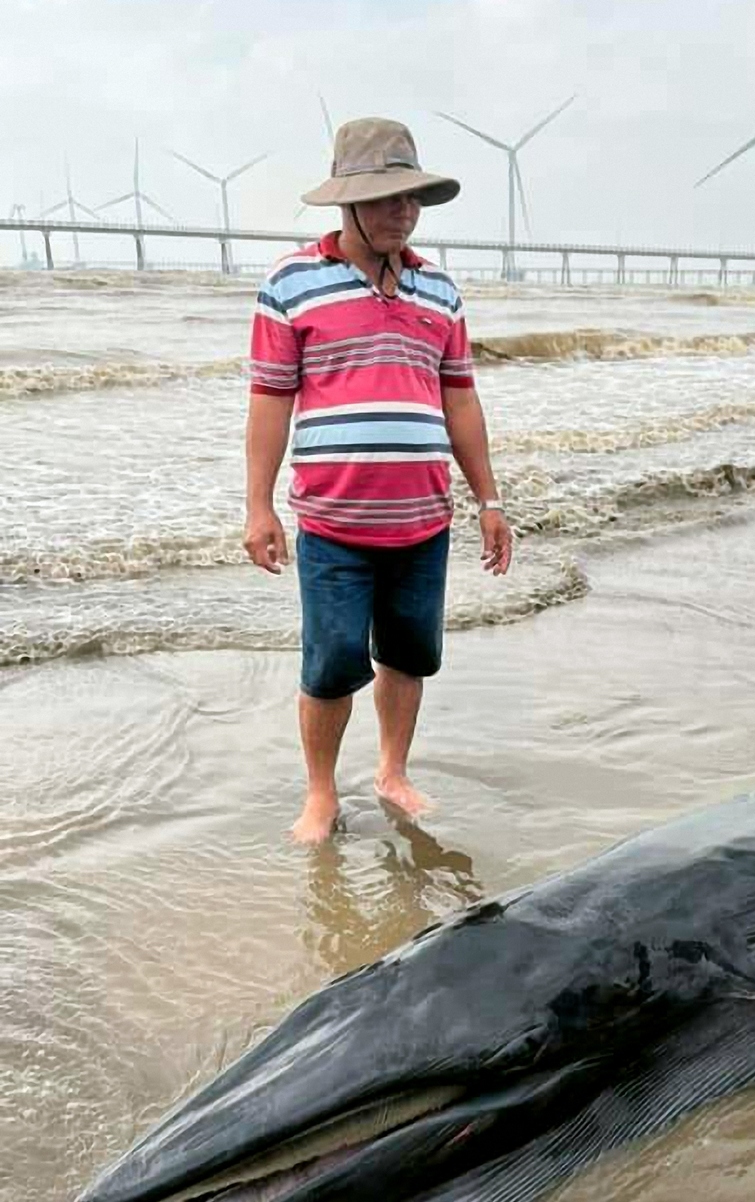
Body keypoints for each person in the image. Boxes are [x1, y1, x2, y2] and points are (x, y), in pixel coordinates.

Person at [244, 117, 512, 843]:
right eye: (390, 199)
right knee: (330, 662)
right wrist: (258, 506)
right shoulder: (290, 283)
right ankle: (321, 793)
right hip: (332, 522)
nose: (405, 212)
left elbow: (460, 399)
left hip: (424, 518)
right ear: (348, 203)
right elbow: (271, 399)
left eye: (413, 198)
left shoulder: (440, 289)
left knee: (409, 653)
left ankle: (392, 772)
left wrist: (489, 500)